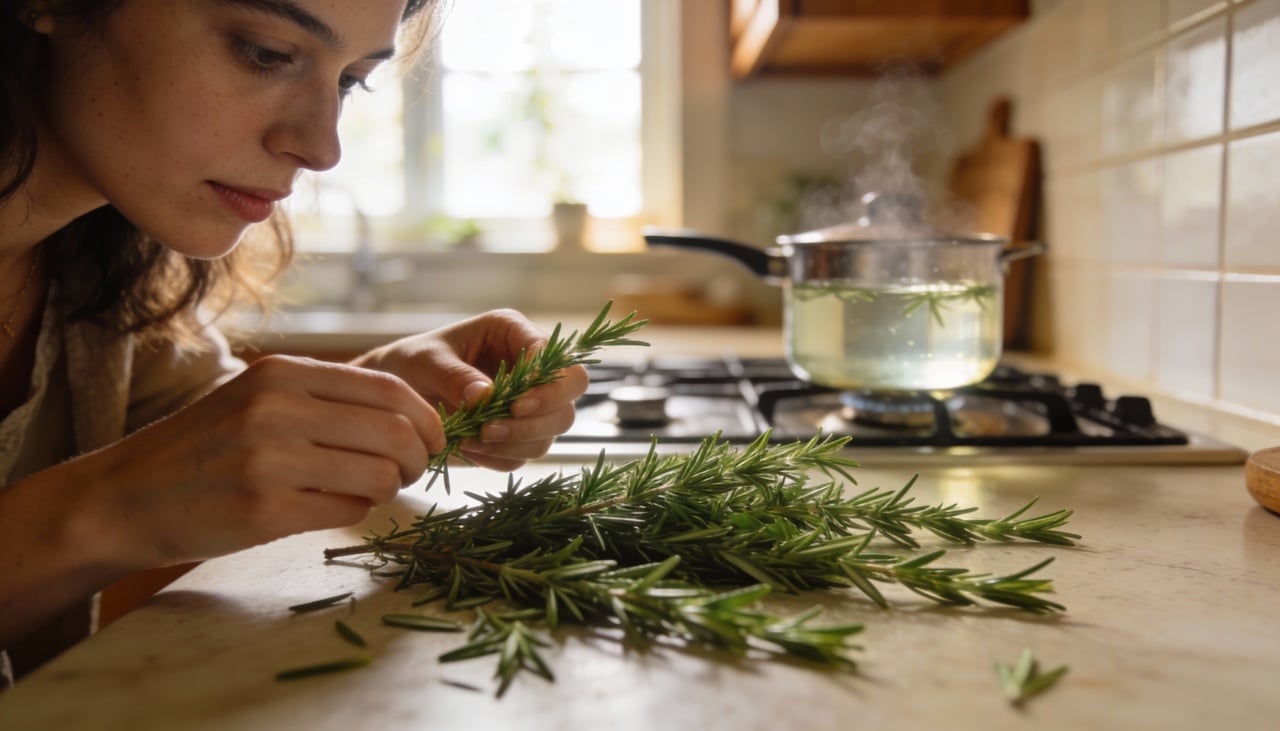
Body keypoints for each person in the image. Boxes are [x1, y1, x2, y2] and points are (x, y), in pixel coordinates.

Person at [0, 0, 589, 687]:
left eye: (348, 82)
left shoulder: (105, 265)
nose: (322, 147)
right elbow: (143, 474)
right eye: (265, 53)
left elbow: (186, 437)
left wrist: (377, 394)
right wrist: (109, 505)